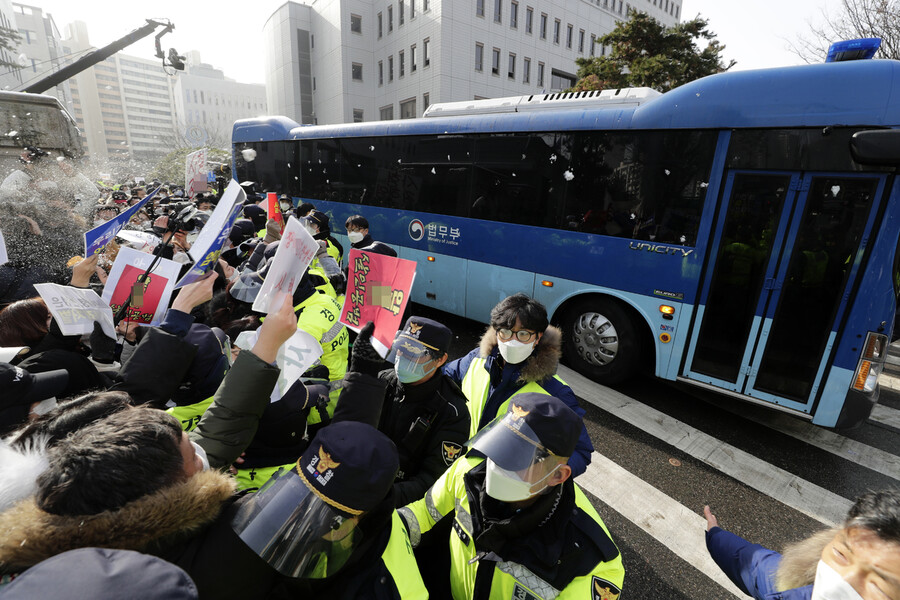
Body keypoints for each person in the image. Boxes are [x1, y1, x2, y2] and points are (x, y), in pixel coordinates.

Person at [398, 393, 625, 600]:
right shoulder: (467, 472)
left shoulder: (594, 563)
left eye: (521, 458)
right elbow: (421, 516)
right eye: (502, 446)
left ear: (558, 475)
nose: (498, 464)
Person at [231, 420, 428, 599]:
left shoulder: (396, 590)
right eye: (297, 493)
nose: (302, 510)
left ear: (361, 518)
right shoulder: (316, 472)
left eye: (325, 516)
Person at [443, 293, 594, 476]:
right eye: (505, 332)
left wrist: (536, 475)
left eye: (523, 334)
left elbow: (580, 451)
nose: (511, 341)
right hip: (460, 470)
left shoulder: (556, 392)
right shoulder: (477, 359)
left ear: (537, 338)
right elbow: (444, 377)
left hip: (507, 485)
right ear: (497, 332)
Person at [350, 316, 470, 507]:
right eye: (401, 349)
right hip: (361, 485)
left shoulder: (452, 412)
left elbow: (433, 480)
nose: (403, 357)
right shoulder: (383, 381)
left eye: (414, 353)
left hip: (398, 505)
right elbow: (354, 432)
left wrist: (382, 499)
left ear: (441, 360)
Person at [705, 491, 900, 600]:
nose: (840, 580)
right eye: (841, 554)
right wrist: (716, 535)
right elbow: (756, 567)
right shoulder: (795, 590)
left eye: (878, 587)